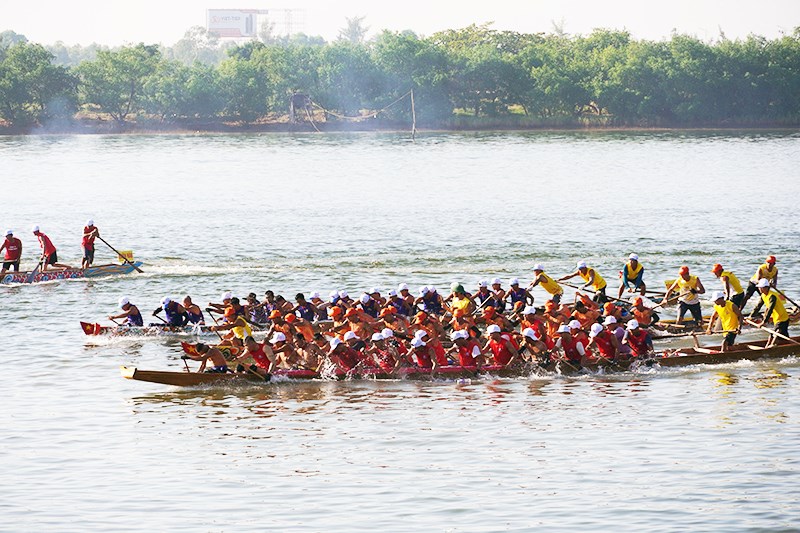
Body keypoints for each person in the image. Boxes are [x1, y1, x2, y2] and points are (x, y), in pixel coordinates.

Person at [754, 278, 790, 347]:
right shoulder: (763, 295)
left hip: (782, 318)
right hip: (776, 318)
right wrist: (751, 316)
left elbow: (770, 309)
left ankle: (771, 345)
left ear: (766, 288)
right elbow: (758, 306)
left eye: (761, 288)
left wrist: (764, 322)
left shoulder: (772, 296)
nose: (759, 289)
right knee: (784, 337)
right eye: (759, 287)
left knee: (776, 333)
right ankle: (790, 346)